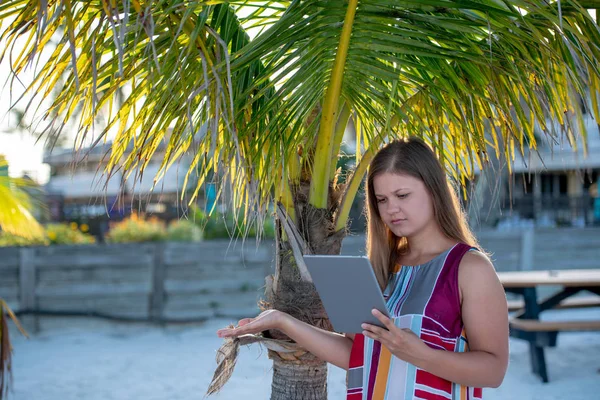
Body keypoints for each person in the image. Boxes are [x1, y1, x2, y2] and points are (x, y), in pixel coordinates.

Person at [217, 137, 509, 399]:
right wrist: (282, 321)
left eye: (402, 195)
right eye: (382, 200)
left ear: (434, 190)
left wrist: (422, 355)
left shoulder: (470, 268)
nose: (391, 208)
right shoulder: (379, 269)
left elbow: (493, 370)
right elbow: (357, 355)